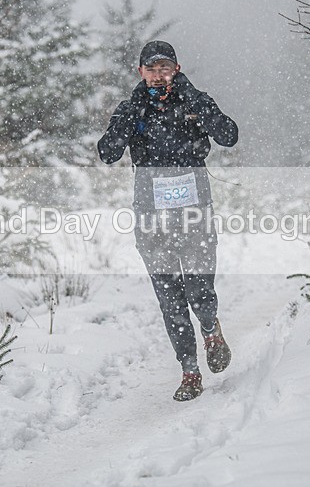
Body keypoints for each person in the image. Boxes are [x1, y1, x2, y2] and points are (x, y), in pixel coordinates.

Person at [97, 41, 238, 401]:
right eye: (152, 69)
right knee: (169, 297)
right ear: (140, 73)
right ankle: (189, 371)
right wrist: (124, 125)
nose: (159, 75)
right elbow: (107, 153)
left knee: (198, 286)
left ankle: (210, 329)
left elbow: (228, 135)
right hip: (150, 214)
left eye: (166, 68)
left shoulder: (195, 101)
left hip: (195, 209)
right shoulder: (131, 109)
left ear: (176, 68)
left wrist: (194, 100)